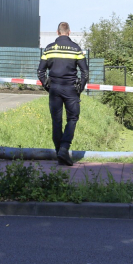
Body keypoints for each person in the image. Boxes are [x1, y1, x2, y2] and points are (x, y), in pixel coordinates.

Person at [37, 22, 88, 166]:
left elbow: (40, 71)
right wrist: (80, 88)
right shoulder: (76, 49)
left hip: (54, 89)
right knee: (72, 118)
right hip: (71, 89)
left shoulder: (49, 49)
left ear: (58, 32)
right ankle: (64, 148)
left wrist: (48, 86)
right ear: (69, 32)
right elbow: (85, 72)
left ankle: (60, 152)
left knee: (56, 121)